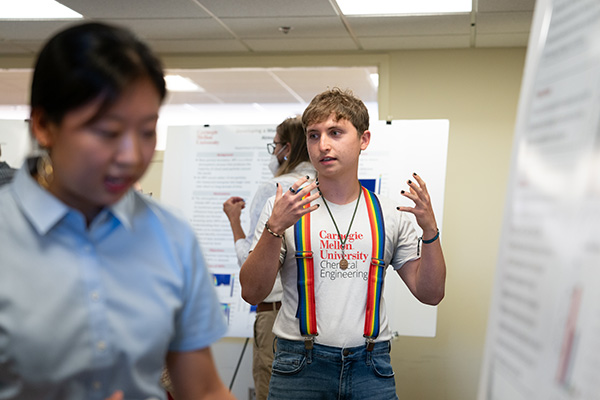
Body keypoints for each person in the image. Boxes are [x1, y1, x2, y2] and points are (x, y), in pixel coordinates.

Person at [0, 22, 234, 400]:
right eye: (108, 132)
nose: (131, 157)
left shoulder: (171, 236)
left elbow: (204, 389)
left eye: (146, 131)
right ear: (44, 125)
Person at [239, 88, 446, 399]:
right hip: (298, 366)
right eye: (313, 135)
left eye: (335, 133)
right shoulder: (281, 208)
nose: (323, 145)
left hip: (370, 367)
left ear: (364, 140)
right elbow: (251, 292)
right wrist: (275, 228)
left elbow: (431, 294)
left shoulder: (389, 214)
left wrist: (430, 230)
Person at [222, 116, 315, 400]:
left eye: (274, 145)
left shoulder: (274, 190)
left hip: (275, 317)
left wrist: (234, 220)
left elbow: (251, 266)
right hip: (315, 319)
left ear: (286, 148)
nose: (272, 152)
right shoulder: (325, 187)